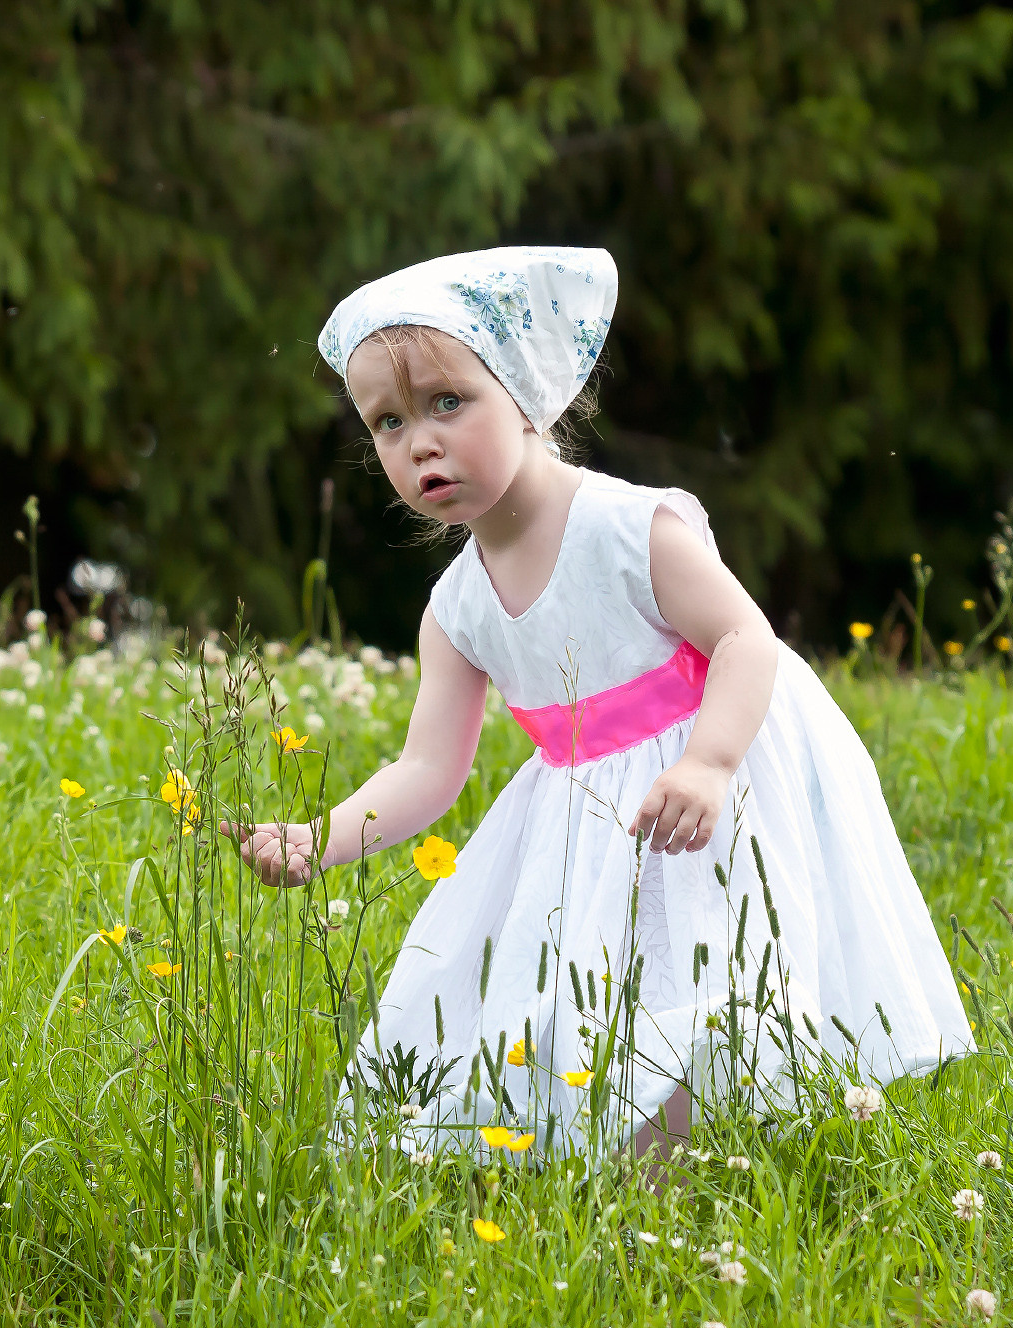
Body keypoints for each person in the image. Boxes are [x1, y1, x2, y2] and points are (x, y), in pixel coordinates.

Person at [221, 247, 969, 1164]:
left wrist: (710, 762)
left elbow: (744, 638)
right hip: (586, 815)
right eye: (387, 422)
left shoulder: (626, 527)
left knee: (714, 976)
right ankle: (647, 1175)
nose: (418, 441)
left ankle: (713, 1166)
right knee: (596, 999)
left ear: (527, 395)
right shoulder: (457, 609)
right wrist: (321, 837)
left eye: (448, 402)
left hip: (719, 769)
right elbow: (427, 768)